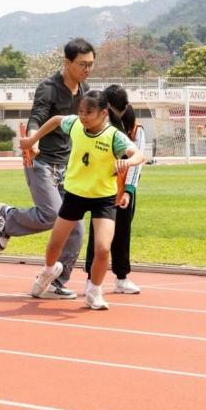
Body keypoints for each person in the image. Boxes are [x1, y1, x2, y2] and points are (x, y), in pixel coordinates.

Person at [21, 89, 144, 311]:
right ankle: (48, 272)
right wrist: (32, 139)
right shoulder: (75, 124)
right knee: (55, 243)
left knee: (103, 248)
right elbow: (56, 120)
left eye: (89, 112)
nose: (83, 116)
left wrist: (128, 161)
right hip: (75, 194)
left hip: (103, 198)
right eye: (80, 111)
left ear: (103, 113)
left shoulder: (113, 137)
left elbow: (138, 154)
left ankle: (94, 291)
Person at [0, 38, 95, 299]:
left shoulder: (85, 91)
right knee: (52, 215)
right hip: (41, 161)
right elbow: (37, 116)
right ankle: (8, 218)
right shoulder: (48, 88)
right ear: (67, 62)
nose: (87, 69)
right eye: (82, 64)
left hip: (68, 166)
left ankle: (57, 282)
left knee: (76, 227)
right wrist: (33, 140)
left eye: (91, 64)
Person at [84, 87, 145, 294]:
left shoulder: (135, 130)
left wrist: (128, 190)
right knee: (97, 236)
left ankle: (122, 277)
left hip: (123, 190)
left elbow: (137, 163)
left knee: (122, 233)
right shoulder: (99, 129)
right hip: (101, 190)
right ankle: (91, 278)